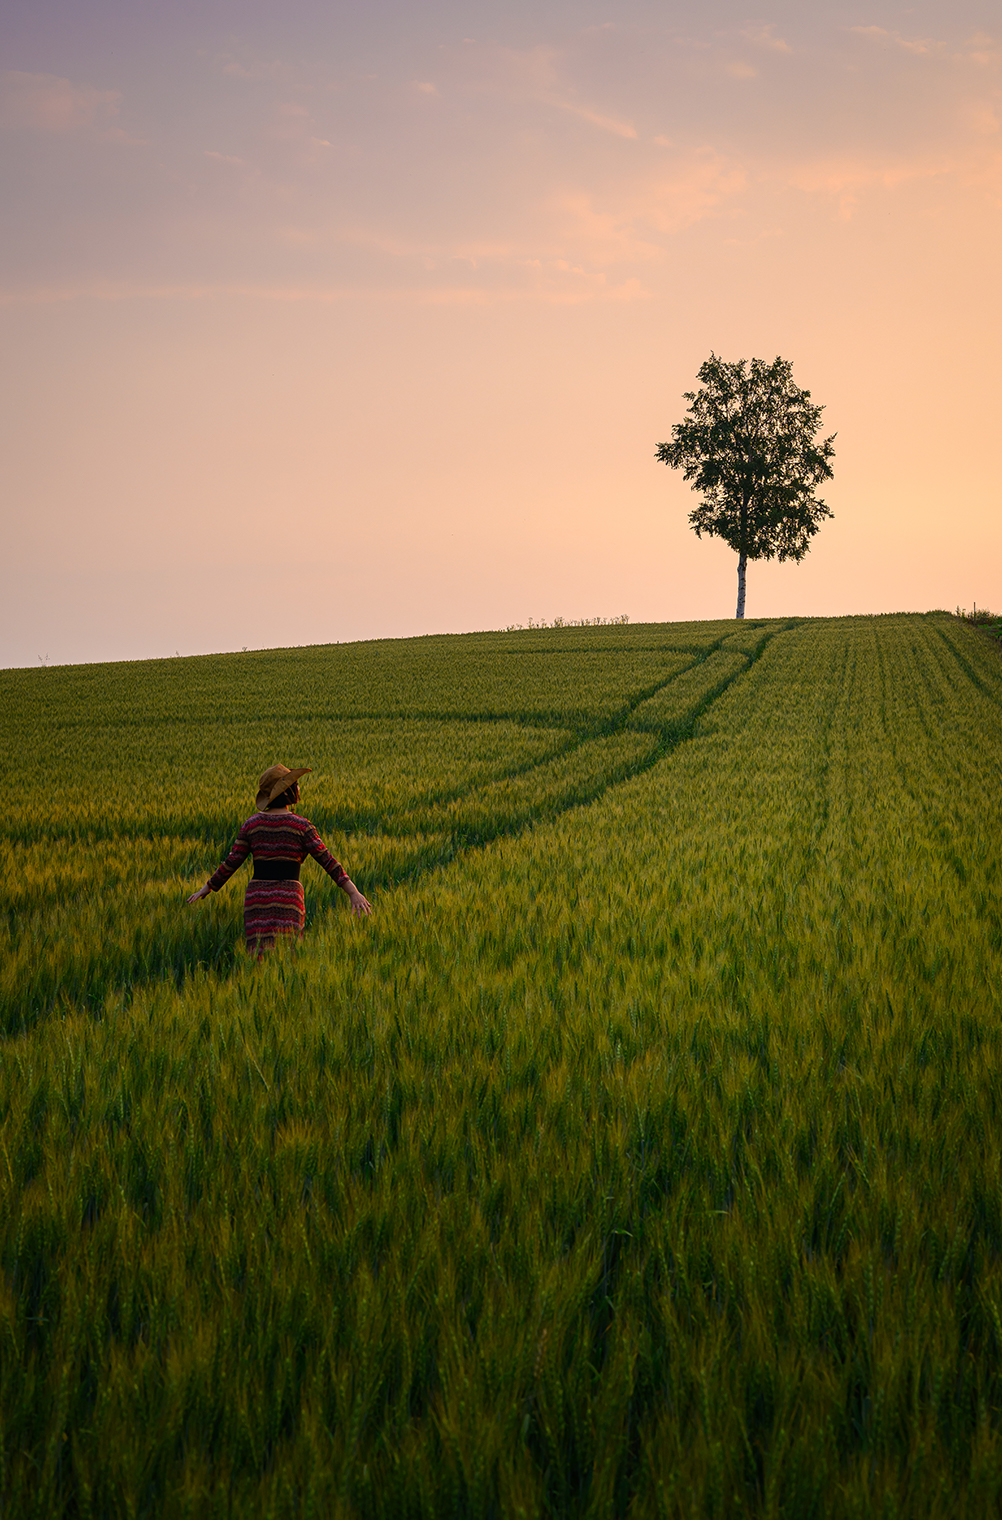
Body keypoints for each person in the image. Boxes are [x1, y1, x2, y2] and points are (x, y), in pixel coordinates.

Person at [187, 763, 372, 953]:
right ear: (286, 792)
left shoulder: (251, 824)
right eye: (295, 784)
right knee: (288, 955)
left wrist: (208, 887)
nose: (299, 788)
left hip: (256, 899)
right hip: (288, 899)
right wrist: (353, 892)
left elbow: (232, 861)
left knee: (256, 957)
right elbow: (328, 861)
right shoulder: (302, 826)